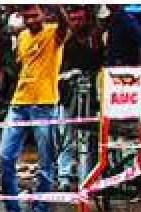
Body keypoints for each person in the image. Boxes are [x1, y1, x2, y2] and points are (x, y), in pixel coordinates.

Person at [0, 4, 65, 212]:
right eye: (27, 16)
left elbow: (66, 24)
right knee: (5, 157)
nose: (31, 20)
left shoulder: (54, 31)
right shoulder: (21, 36)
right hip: (19, 102)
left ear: (44, 14)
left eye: (35, 15)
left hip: (45, 104)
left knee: (46, 161)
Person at [56, 5, 104, 189]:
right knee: (66, 137)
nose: (76, 23)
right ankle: (64, 177)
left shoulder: (96, 40)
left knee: (90, 138)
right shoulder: (67, 42)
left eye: (79, 19)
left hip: (91, 95)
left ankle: (91, 177)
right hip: (68, 95)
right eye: (73, 19)